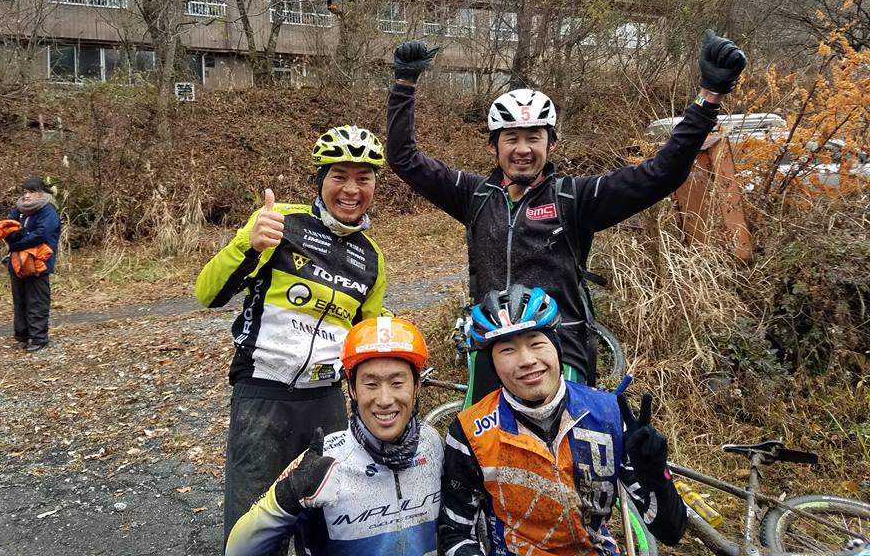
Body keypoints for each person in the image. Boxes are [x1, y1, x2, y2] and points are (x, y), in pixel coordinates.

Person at [386, 31, 747, 391]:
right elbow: (405, 159)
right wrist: (404, 84)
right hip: (494, 351)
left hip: (560, 352)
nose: (523, 149)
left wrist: (708, 99)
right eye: (511, 138)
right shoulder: (474, 196)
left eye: (534, 137)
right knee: (481, 430)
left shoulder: (574, 198)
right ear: (493, 147)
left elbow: (660, 174)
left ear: (552, 144)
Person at [195, 125, 390, 549]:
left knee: (329, 528)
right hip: (262, 394)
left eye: (364, 178)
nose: (351, 189)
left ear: (375, 186)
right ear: (320, 180)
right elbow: (207, 293)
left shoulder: (372, 257)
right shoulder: (280, 221)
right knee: (254, 531)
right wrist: (248, 245)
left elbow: (365, 337)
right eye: (339, 176)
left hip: (326, 402)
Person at [439, 285, 687, 555]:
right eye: (507, 350)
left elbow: (671, 531)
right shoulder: (470, 431)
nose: (526, 360)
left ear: (557, 348)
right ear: (493, 366)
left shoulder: (609, 414)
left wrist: (656, 477)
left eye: (536, 343)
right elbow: (456, 533)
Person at [224, 316, 443, 555]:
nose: (384, 400)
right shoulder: (323, 461)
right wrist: (286, 497)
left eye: (397, 382)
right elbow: (237, 551)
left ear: (417, 386)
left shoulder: (433, 445)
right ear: (352, 389)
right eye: (370, 384)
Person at [3, 176, 61, 352]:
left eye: (32, 192)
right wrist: (14, 238)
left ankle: (39, 338)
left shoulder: (48, 210)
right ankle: (22, 336)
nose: (27, 196)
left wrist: (17, 243)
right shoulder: (18, 209)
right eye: (25, 192)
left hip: (39, 262)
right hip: (17, 261)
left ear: (41, 193)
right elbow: (6, 228)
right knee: (20, 300)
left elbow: (42, 234)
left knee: (37, 301)